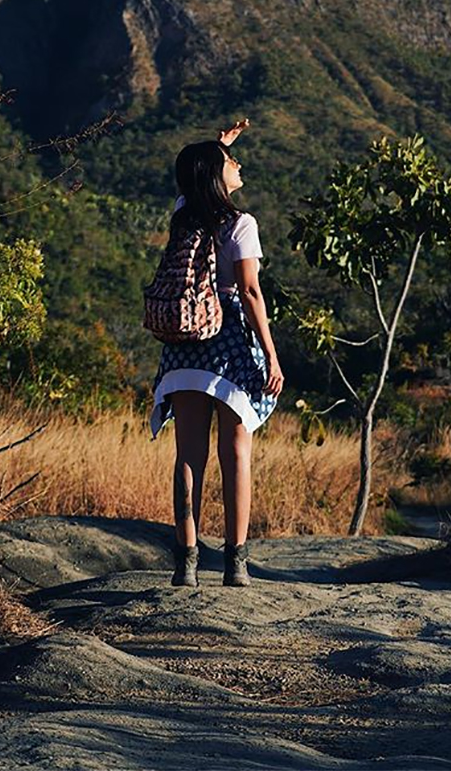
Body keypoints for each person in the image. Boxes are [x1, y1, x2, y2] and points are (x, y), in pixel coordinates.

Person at [150, 119, 284, 588]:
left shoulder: (183, 216)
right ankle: (235, 564)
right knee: (236, 453)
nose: (239, 164)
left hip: (184, 345)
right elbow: (250, 291)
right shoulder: (241, 224)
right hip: (228, 343)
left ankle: (185, 564)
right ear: (216, 174)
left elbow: (191, 184)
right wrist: (271, 354)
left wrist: (218, 146)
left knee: (188, 455)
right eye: (231, 162)